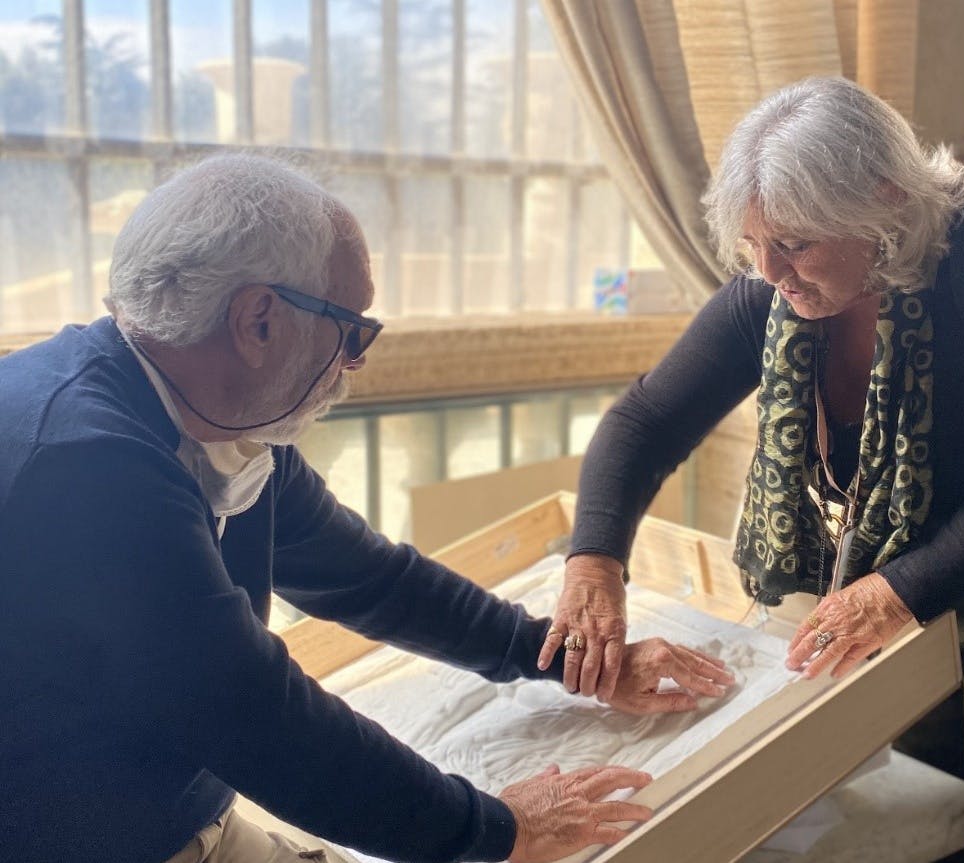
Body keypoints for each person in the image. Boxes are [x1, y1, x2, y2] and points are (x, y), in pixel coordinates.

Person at [0, 153, 736, 863]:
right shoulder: (84, 466)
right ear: (258, 321)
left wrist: (569, 659)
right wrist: (497, 827)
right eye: (353, 330)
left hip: (180, 820)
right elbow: (257, 717)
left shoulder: (218, 427)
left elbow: (374, 580)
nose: (355, 362)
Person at [538, 76, 964, 862]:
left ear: (885, 204)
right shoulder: (773, 292)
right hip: (915, 563)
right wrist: (593, 563)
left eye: (794, 243)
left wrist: (892, 593)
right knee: (907, 761)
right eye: (753, 245)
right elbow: (645, 421)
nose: (771, 272)